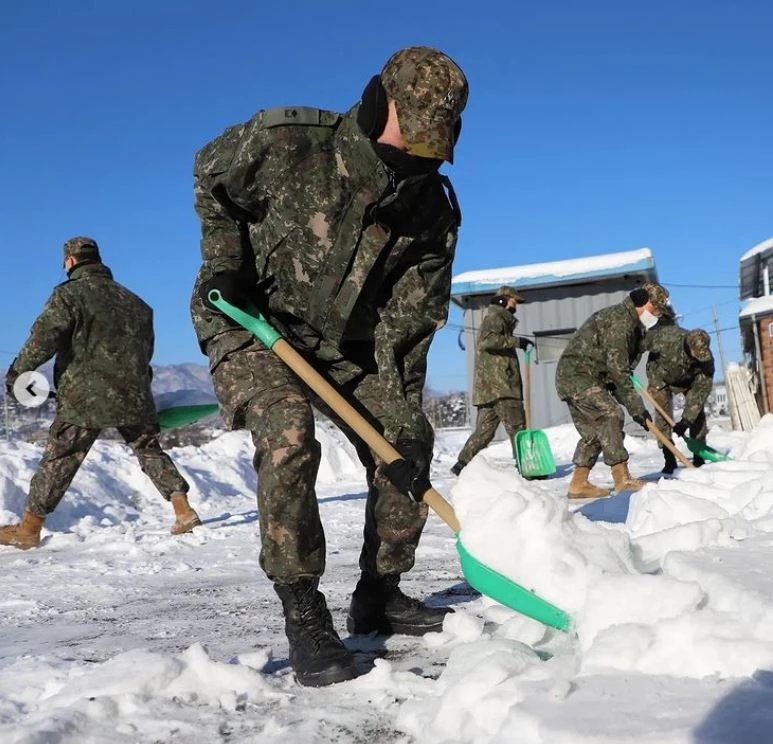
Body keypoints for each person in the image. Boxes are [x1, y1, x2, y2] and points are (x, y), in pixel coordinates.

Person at [190, 46, 468, 687]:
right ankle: (304, 613)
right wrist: (226, 260)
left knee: (405, 437)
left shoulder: (432, 209)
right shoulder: (286, 142)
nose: (417, 158)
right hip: (248, 315)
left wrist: (399, 428)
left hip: (345, 343)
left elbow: (410, 326)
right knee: (289, 430)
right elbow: (210, 181)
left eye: (434, 147)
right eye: (411, 138)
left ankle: (379, 593)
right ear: (380, 104)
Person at [1, 237, 200, 550]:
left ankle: (28, 530)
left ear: (69, 262)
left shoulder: (69, 295)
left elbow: (44, 338)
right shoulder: (137, 304)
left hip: (84, 398)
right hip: (134, 394)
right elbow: (145, 355)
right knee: (148, 449)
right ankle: (183, 509)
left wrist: (17, 373)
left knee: (60, 459)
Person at [555, 281, 671, 498]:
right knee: (612, 414)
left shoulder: (632, 326)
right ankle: (622, 478)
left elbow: (615, 376)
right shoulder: (620, 322)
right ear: (641, 301)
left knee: (596, 433)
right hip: (578, 376)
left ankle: (578, 484)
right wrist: (636, 408)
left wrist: (636, 408)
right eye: (654, 309)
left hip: (583, 377)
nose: (656, 315)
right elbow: (618, 372)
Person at [451, 286, 532, 475]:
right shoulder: (496, 318)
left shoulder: (496, 318)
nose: (516, 306)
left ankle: (461, 465)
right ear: (504, 300)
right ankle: (527, 466)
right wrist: (517, 342)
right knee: (517, 428)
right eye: (514, 301)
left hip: (489, 389)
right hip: (502, 386)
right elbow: (487, 341)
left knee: (484, 433)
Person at [644, 320, 715, 473]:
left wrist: (686, 420)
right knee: (662, 416)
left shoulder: (706, 361)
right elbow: (638, 345)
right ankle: (669, 457)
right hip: (660, 377)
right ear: (688, 348)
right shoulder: (665, 338)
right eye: (695, 355)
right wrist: (625, 366)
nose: (698, 359)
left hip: (689, 380)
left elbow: (700, 391)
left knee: (697, 415)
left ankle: (698, 455)